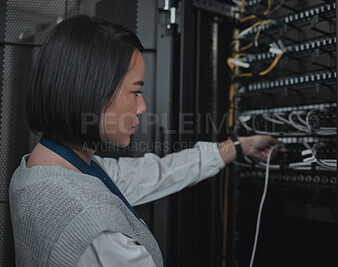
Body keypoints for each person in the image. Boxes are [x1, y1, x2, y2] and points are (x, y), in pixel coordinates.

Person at [9, 15, 279, 267]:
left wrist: (240, 147)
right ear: (91, 92)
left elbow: (156, 174)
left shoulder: (45, 171)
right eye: (136, 91)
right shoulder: (94, 227)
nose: (142, 107)